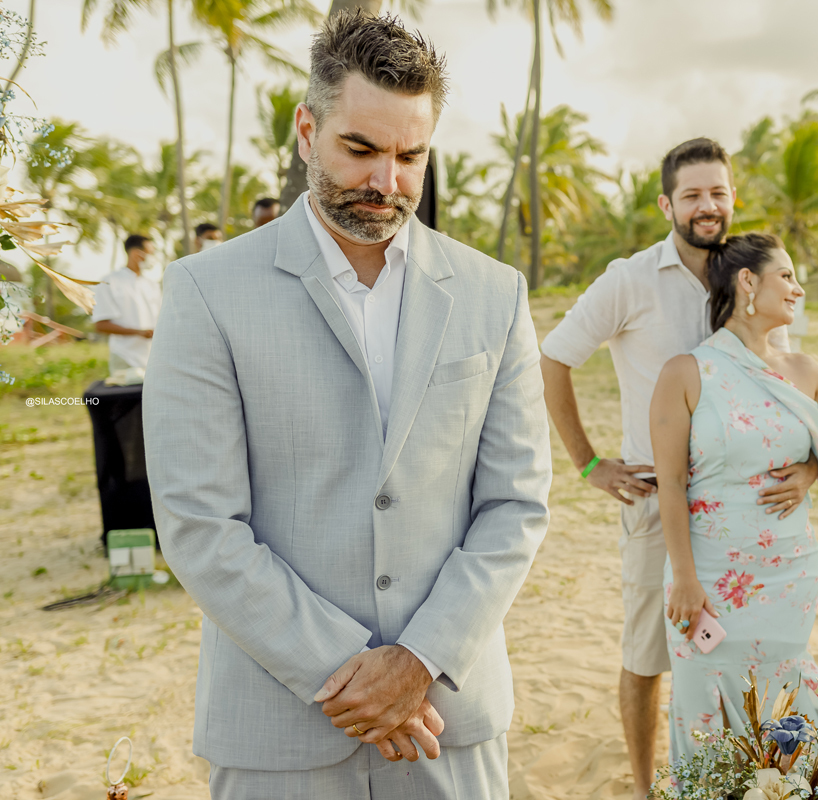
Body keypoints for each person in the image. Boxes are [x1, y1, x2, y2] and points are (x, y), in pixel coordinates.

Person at [142, 10, 552, 799]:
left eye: (411, 155)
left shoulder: (495, 295)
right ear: (306, 130)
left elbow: (517, 503)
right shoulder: (204, 291)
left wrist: (418, 661)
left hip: (446, 720)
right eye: (360, 149)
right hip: (276, 729)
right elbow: (199, 521)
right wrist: (351, 674)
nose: (385, 181)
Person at [540, 138, 818, 799]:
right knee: (648, 657)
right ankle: (643, 789)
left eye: (717, 192)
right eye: (692, 194)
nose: (706, 206)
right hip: (654, 502)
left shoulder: (751, 275)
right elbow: (553, 359)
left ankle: (738, 782)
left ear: (732, 199)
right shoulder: (629, 279)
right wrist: (588, 464)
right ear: (668, 202)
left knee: (738, 653)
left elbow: (786, 383)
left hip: (745, 515)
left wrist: (809, 467)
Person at [650, 232, 818, 763]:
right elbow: (671, 485)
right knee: (708, 719)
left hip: (787, 573)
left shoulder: (804, 371)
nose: (798, 288)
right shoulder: (686, 373)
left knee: (785, 725)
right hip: (708, 578)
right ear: (748, 282)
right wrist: (684, 578)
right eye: (786, 275)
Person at [91, 234, 161, 376]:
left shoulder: (152, 285)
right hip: (125, 357)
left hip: (153, 360)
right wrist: (139, 332)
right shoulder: (109, 282)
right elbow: (101, 325)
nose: (153, 258)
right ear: (136, 254)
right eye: (151, 254)